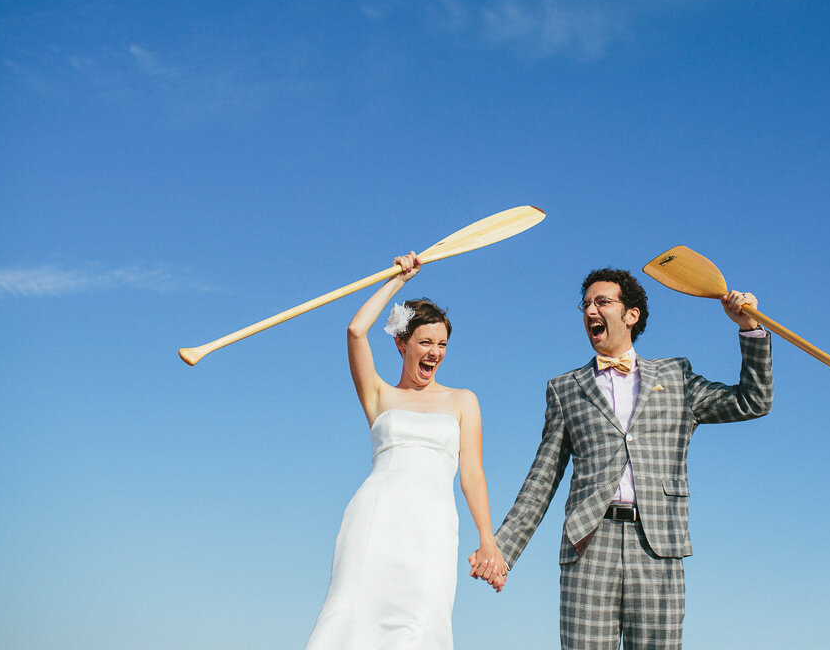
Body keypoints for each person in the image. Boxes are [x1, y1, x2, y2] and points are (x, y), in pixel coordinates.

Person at [474, 268, 773, 649]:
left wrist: (750, 329)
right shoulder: (565, 389)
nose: (590, 310)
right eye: (585, 304)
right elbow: (542, 479)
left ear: (631, 314)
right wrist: (502, 548)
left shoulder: (676, 377)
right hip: (588, 545)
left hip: (659, 546)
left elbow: (753, 400)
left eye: (602, 301)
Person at [305, 252, 506, 649]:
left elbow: (472, 474)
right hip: (375, 518)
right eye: (425, 342)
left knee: (422, 620)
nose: (434, 352)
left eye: (442, 344)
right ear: (401, 343)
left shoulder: (463, 401)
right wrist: (400, 280)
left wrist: (488, 539)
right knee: (350, 616)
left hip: (432, 525)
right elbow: (355, 331)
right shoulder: (379, 395)